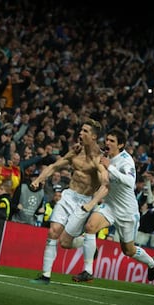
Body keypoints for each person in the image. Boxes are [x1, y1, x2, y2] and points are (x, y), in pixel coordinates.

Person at [71, 128, 154, 282]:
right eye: (107, 140)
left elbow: (130, 182)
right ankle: (88, 271)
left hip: (127, 212)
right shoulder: (104, 156)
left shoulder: (126, 160)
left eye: (112, 141)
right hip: (110, 206)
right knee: (90, 227)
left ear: (121, 145)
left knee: (128, 250)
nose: (108, 143)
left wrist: (110, 167)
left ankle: (152, 263)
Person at [30, 118, 108, 284]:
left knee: (65, 243)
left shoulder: (99, 159)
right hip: (69, 196)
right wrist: (39, 179)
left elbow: (105, 184)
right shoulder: (75, 152)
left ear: (94, 137)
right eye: (81, 130)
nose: (80, 133)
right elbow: (54, 167)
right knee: (52, 232)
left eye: (85, 131)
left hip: (84, 202)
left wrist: (95, 201)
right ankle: (45, 275)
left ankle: (85, 244)